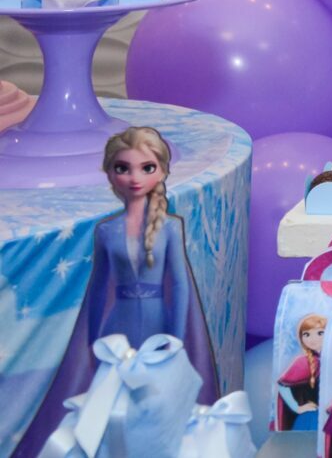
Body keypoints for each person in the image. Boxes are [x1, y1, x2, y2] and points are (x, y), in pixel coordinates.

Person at [21, 126, 220, 456]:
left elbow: (179, 284)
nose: (134, 178)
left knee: (157, 395)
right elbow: (99, 286)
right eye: (122, 168)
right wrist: (91, 338)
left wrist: (176, 338)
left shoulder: (170, 227)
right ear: (110, 174)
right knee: (115, 395)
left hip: (158, 323)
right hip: (118, 326)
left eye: (146, 168)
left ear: (162, 171)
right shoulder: (106, 231)